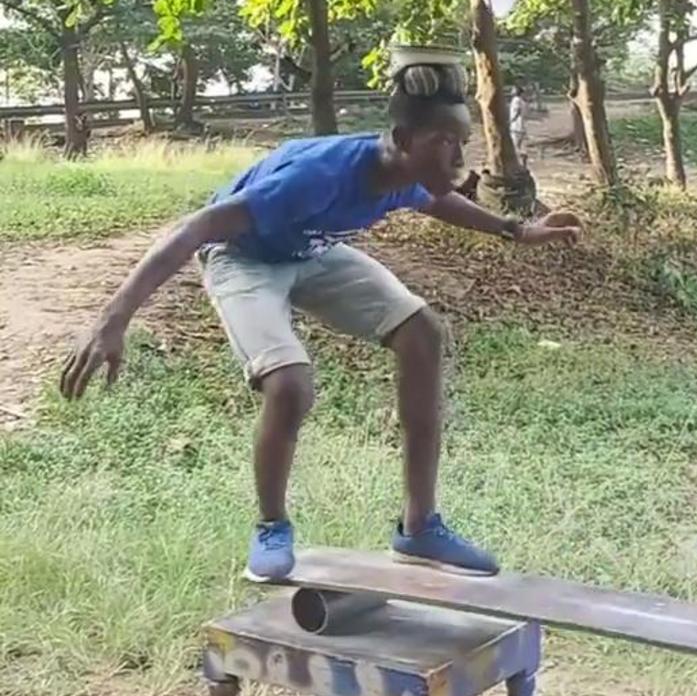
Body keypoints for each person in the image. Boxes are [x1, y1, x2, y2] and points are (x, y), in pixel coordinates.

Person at [60, 63, 579, 583]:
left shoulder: (406, 174)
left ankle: (419, 528)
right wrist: (115, 318)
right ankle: (271, 526)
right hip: (242, 257)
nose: (460, 159)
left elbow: (440, 201)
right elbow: (196, 228)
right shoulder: (316, 177)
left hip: (311, 250)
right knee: (289, 385)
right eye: (446, 143)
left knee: (423, 332)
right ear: (402, 139)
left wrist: (516, 229)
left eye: (462, 142)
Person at [509, 85, 528, 159]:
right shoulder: (522, 101)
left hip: (516, 126)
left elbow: (517, 111)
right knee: (518, 145)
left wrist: (511, 121)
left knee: (514, 146)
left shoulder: (516, 100)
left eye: (513, 90)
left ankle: (522, 156)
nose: (511, 91)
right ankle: (522, 157)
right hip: (522, 126)